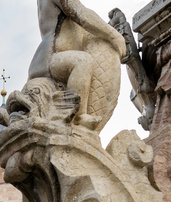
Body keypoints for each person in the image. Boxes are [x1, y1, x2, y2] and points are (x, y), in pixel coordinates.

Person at [28, 0, 126, 128]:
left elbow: (86, 31)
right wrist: (113, 35)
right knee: (82, 61)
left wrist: (107, 29)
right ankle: (78, 115)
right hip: (49, 59)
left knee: (82, 60)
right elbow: (82, 14)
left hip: (56, 58)